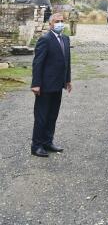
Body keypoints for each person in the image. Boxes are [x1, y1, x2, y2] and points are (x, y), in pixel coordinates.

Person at [30, 12, 72, 157]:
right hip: (45, 85)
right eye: (57, 21)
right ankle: (36, 146)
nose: (60, 23)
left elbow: (67, 62)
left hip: (58, 85)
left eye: (62, 21)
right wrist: (36, 84)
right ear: (50, 24)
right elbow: (38, 63)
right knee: (42, 116)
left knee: (53, 115)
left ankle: (48, 142)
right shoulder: (45, 39)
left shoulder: (65, 39)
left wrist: (68, 80)